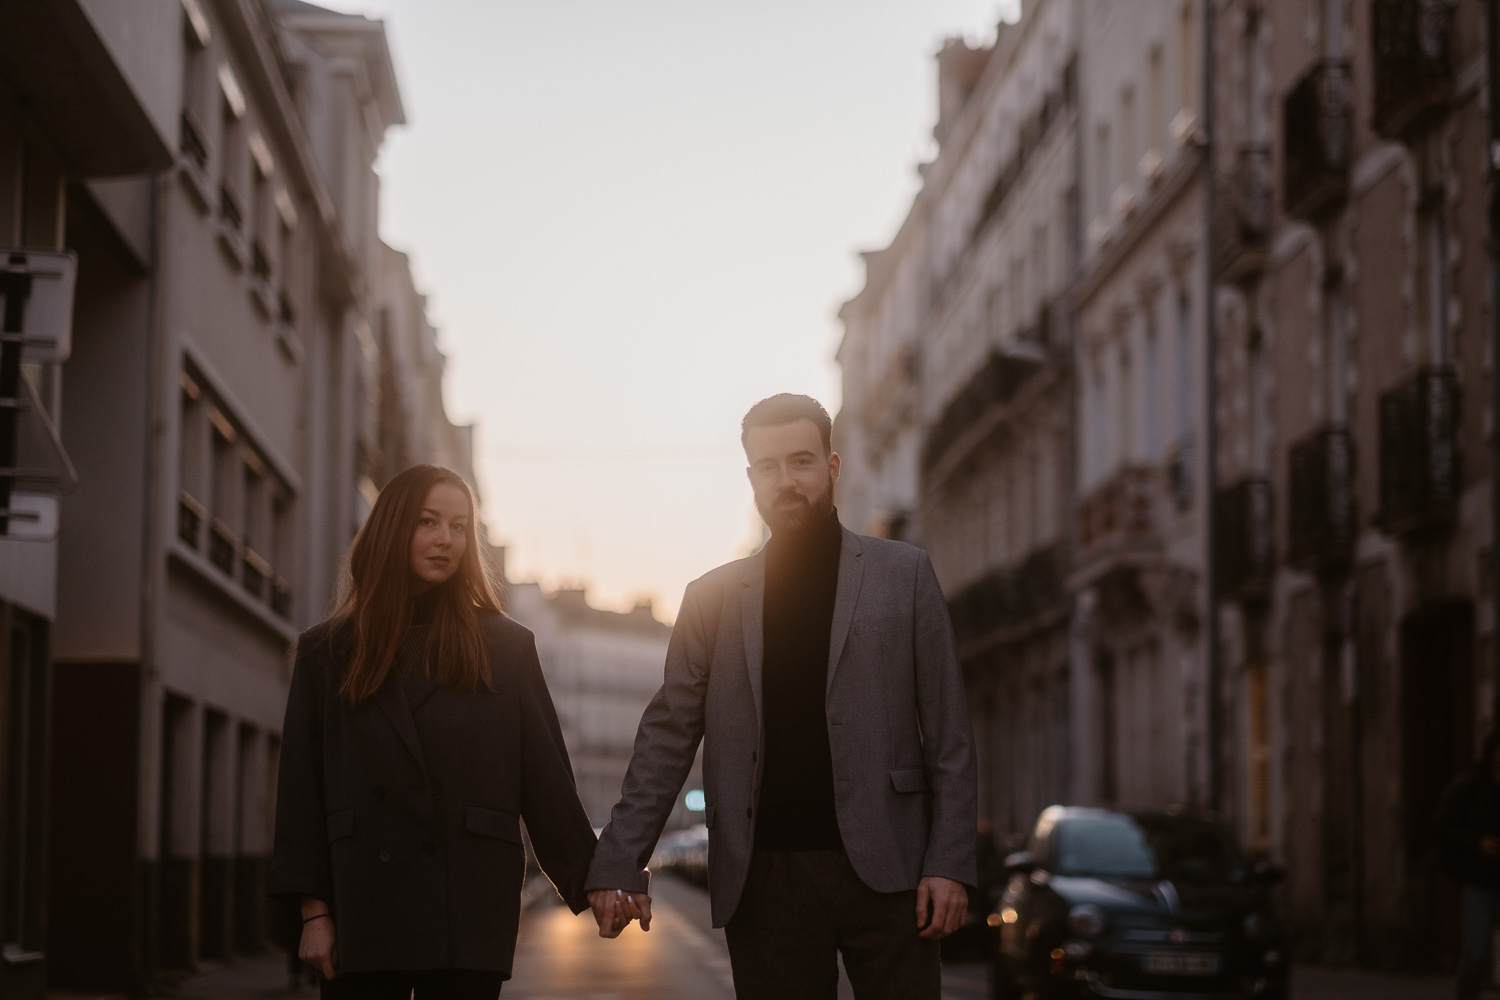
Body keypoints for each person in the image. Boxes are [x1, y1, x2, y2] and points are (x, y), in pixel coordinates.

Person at [586, 394, 978, 1000]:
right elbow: (667, 736)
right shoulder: (710, 598)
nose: (786, 480)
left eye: (801, 461)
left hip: (891, 868)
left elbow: (949, 735)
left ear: (833, 466)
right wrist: (619, 858)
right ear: (751, 478)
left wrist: (949, 860)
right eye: (768, 467)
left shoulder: (906, 574)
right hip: (765, 880)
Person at [269, 465, 597, 999]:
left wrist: (597, 880)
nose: (446, 539)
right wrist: (313, 914)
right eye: (428, 521)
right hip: (365, 902)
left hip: (467, 903)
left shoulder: (505, 647)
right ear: (393, 528)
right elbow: (301, 794)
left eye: (459, 525)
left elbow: (546, 781)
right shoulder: (326, 652)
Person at [1436, 728, 1500, 1000]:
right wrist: (1477, 842)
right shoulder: (1469, 788)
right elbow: (1443, 827)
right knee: (1477, 950)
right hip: (1479, 880)